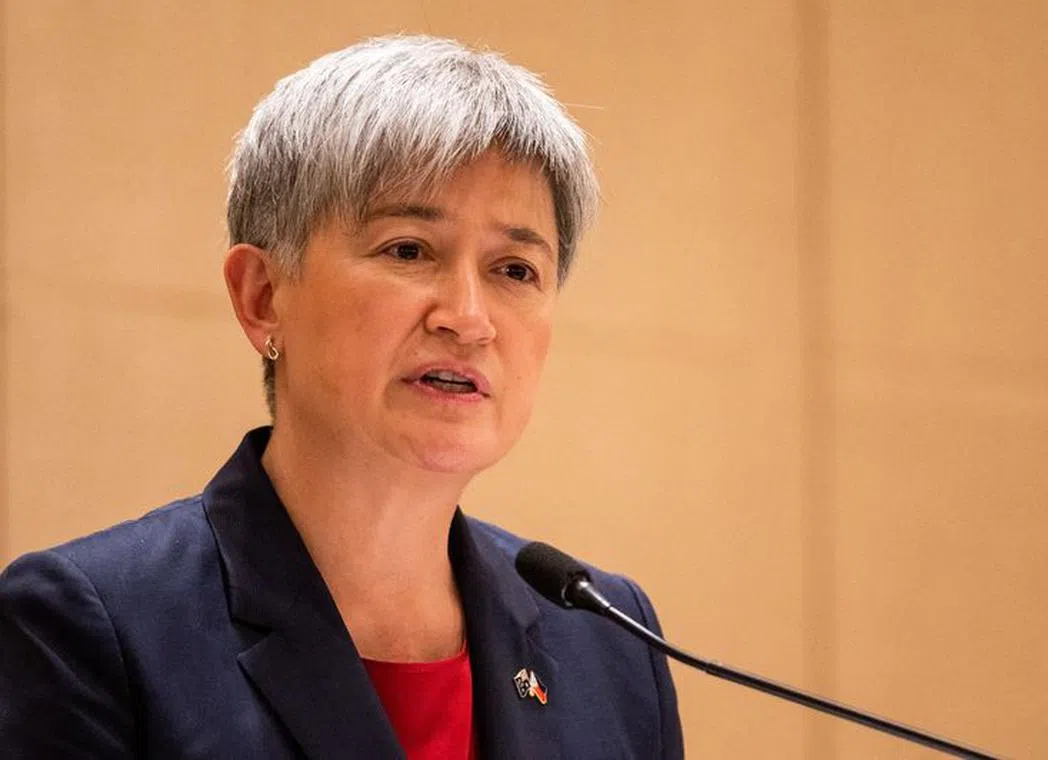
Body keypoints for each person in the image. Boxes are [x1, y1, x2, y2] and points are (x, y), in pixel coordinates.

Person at [0, 36, 683, 759]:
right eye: (409, 250)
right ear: (264, 298)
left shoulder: (609, 642)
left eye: (515, 269)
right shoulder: (91, 628)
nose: (469, 317)